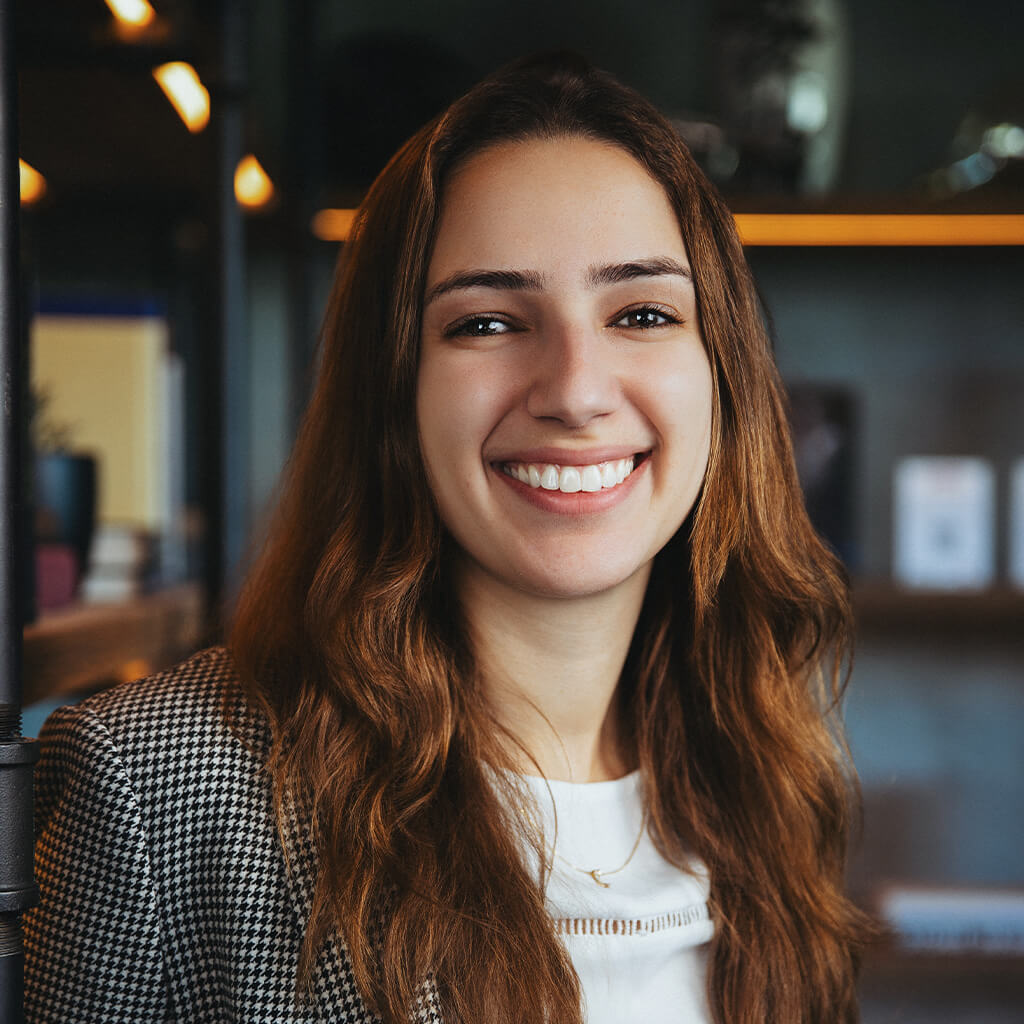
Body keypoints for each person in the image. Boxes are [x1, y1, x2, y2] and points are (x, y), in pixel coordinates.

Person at [25, 52, 874, 1024]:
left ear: (722, 372)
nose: (574, 391)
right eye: (485, 322)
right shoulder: (156, 785)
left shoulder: (772, 772)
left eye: (641, 312)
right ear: (392, 388)